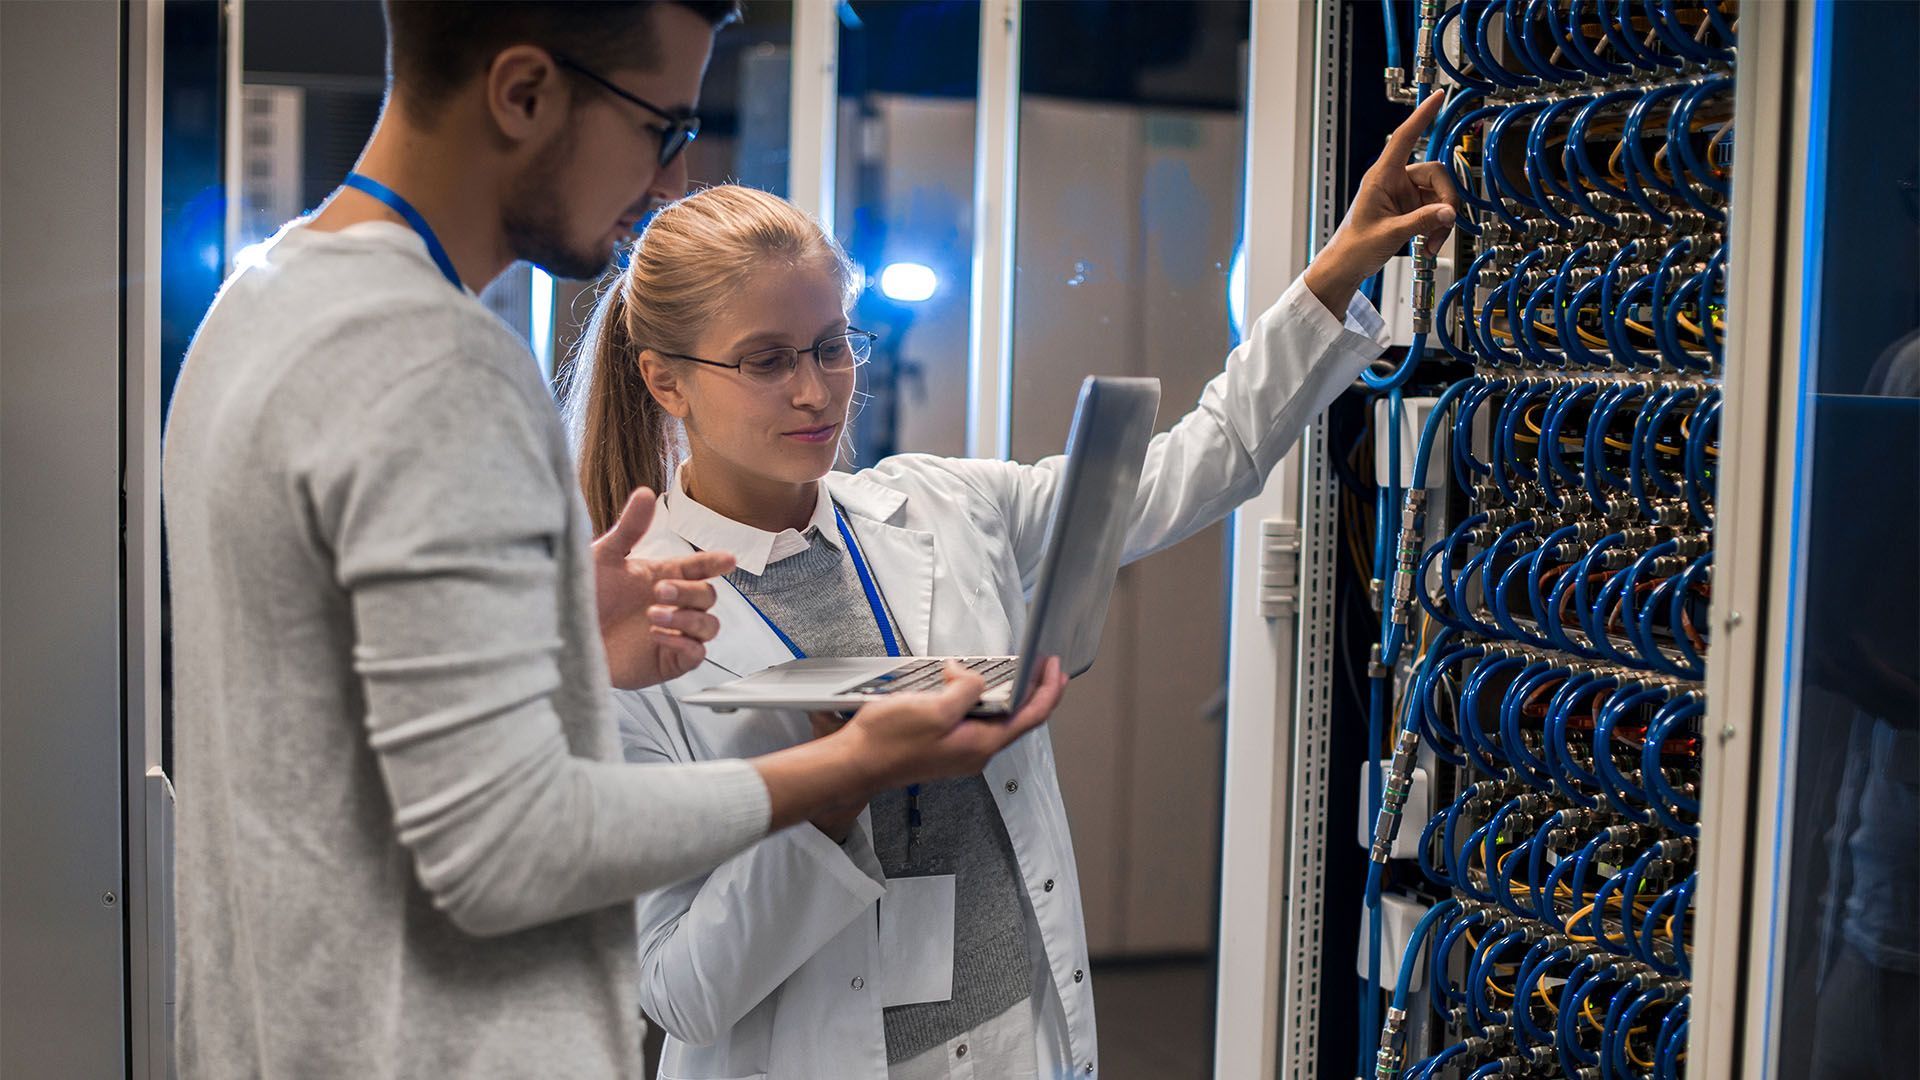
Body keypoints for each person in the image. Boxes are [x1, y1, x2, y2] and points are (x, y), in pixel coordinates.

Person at [160, 3, 1065, 1077]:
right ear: (524, 92)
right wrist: (838, 770)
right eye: (659, 128)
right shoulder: (435, 365)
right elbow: (503, 847)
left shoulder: (261, 300)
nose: (667, 186)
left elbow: (345, 752)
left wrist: (557, 648)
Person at [562, 90, 1458, 1079]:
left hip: (1019, 1041)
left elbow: (1203, 463)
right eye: (767, 362)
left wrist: (1338, 273)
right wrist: (833, 787)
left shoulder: (935, 506)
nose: (815, 392)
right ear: (664, 380)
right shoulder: (634, 630)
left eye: (831, 346)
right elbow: (682, 990)